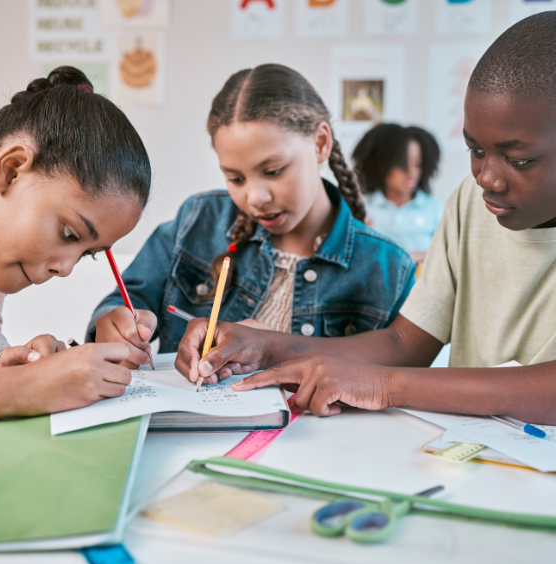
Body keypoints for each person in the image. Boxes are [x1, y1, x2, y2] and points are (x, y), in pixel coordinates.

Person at [175, 12, 556, 425]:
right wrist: (267, 346)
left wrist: (384, 384)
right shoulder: (470, 201)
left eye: (519, 159)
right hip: (475, 456)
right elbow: (405, 341)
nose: (487, 178)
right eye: (475, 150)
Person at [89, 64, 415, 367]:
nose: (255, 198)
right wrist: (114, 321)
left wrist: (274, 346)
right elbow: (125, 301)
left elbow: (390, 380)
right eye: (235, 178)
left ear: (320, 143)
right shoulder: (197, 220)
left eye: (273, 171)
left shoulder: (387, 268)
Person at [0, 66, 151, 425]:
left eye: (87, 254)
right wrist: (25, 386)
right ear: (11, 170)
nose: (65, 268)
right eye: (70, 234)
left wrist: (2, 363)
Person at [353, 123, 443, 263]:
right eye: (401, 164)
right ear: (382, 164)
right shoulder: (361, 207)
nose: (411, 172)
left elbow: (448, 258)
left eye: (417, 163)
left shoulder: (436, 210)